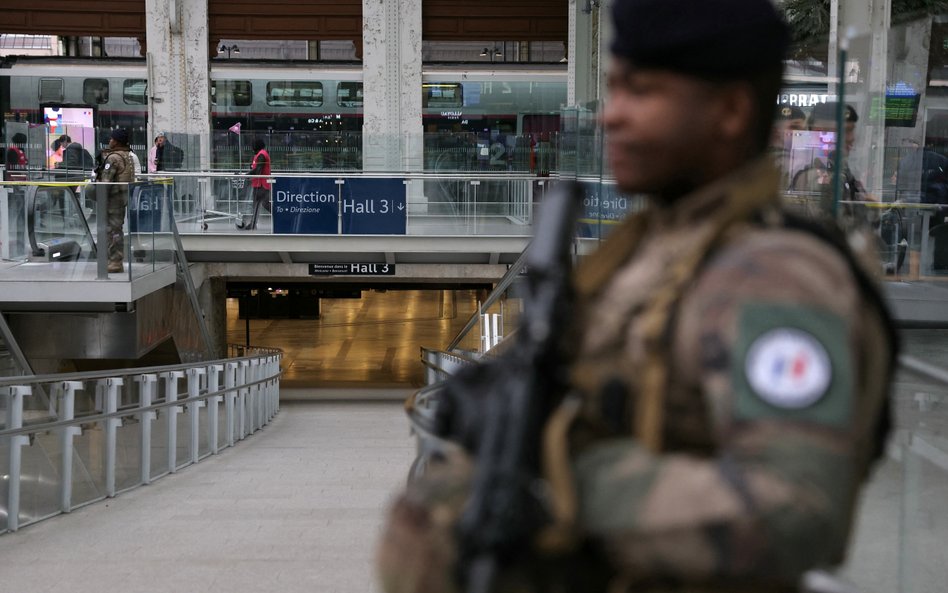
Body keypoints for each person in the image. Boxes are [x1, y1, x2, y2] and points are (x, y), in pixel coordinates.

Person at [376, 1, 898, 592]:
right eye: (613, 90)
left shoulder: (775, 277)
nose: (610, 117)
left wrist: (554, 478)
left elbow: (798, 510)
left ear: (729, 111)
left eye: (641, 92)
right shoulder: (653, 250)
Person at [96, 128, 136, 274]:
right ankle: (115, 260)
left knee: (112, 231)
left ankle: (114, 261)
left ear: (117, 141)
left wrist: (97, 182)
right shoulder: (128, 155)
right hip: (122, 198)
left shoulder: (113, 158)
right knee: (117, 229)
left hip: (112, 200)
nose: (109, 141)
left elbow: (106, 181)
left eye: (112, 139)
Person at [236, 138, 272, 230]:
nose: (252, 149)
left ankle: (253, 224)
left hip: (261, 184)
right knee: (261, 204)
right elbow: (256, 168)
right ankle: (253, 224)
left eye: (253, 147)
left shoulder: (261, 155)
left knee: (260, 204)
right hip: (260, 183)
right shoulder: (261, 154)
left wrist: (246, 175)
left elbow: (257, 170)